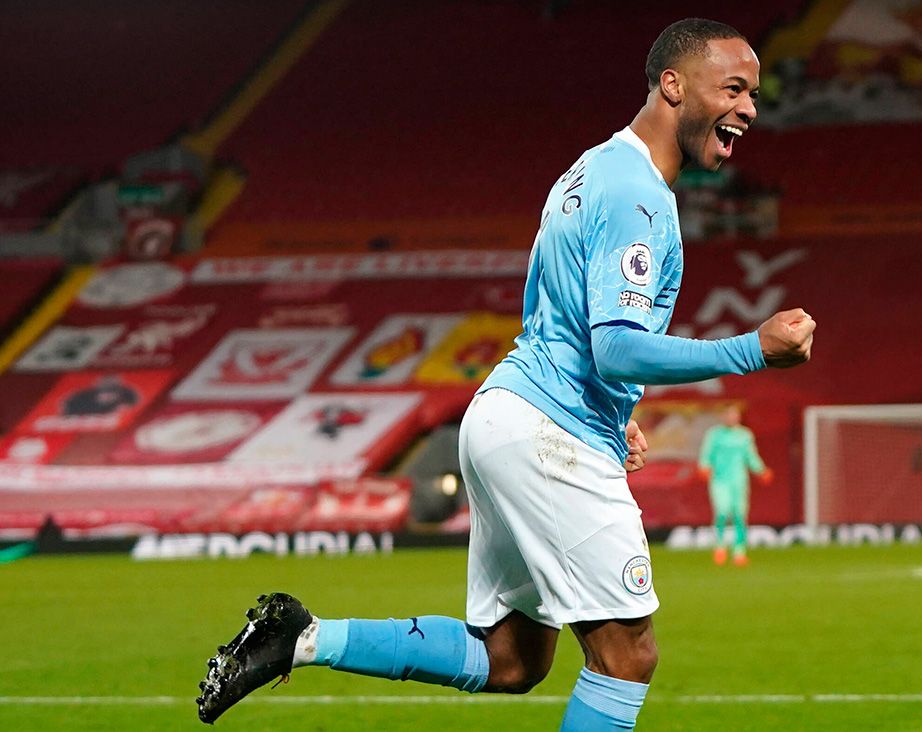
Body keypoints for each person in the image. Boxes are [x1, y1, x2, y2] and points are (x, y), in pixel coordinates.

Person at [196, 18, 816, 729]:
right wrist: (752, 351)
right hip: (550, 433)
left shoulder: (591, 169)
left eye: (755, 95)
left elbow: (564, 323)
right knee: (627, 655)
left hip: (515, 416)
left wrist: (615, 412)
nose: (750, 109)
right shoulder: (636, 196)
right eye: (734, 88)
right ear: (673, 85)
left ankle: (301, 637)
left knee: (512, 659)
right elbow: (614, 346)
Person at [698, 403, 770, 566]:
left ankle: (739, 551)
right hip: (719, 480)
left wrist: (761, 470)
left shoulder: (745, 435)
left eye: (734, 415)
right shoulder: (715, 435)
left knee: (739, 514)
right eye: (728, 414)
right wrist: (704, 466)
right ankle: (720, 546)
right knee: (722, 512)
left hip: (739, 480)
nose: (731, 418)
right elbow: (706, 453)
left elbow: (751, 456)